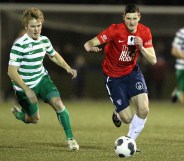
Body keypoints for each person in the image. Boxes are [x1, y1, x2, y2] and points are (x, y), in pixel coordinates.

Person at [84, 4, 157, 150]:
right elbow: (89, 43)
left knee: (143, 109)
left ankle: (130, 141)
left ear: (139, 17)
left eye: (134, 19)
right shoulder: (115, 30)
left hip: (132, 73)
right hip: (113, 77)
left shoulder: (144, 32)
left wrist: (141, 48)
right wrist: (91, 47)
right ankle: (117, 113)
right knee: (127, 118)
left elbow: (153, 60)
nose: (131, 22)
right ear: (123, 17)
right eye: (128, 18)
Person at [7, 7, 79, 150]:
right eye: (33, 26)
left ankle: (71, 140)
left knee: (58, 104)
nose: (36, 29)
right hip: (24, 87)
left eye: (39, 26)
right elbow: (11, 72)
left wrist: (67, 67)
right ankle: (21, 115)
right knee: (34, 119)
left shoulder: (44, 40)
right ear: (26, 26)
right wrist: (26, 89)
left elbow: (53, 55)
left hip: (41, 79)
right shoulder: (19, 45)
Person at [171, 27, 184, 104]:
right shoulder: (182, 32)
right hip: (182, 67)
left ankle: (178, 91)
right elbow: (174, 51)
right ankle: (179, 92)